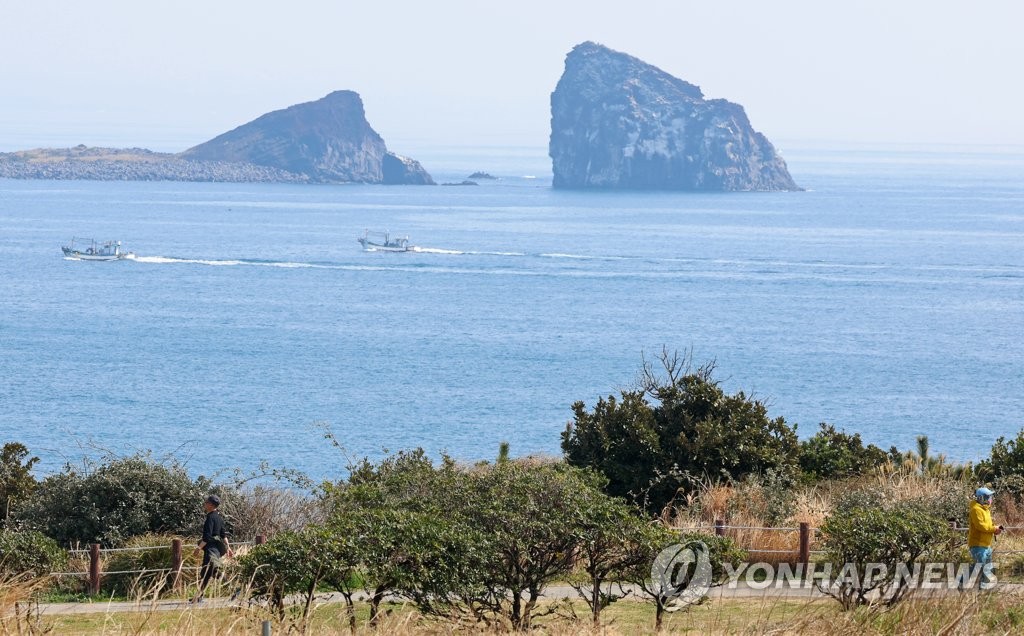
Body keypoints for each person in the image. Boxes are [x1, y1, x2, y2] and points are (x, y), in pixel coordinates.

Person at [191, 494, 232, 603]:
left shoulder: (210, 518)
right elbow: (223, 534)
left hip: (210, 549)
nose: (204, 504)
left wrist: (198, 548)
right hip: (217, 549)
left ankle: (233, 590)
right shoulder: (218, 517)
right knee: (205, 573)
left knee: (215, 571)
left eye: (206, 502)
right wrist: (228, 547)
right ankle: (198, 596)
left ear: (210, 505)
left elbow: (207, 537)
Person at [967, 486, 1003, 589]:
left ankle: (984, 589)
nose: (990, 499)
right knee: (979, 567)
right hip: (978, 544)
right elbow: (981, 526)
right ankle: (961, 582)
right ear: (981, 498)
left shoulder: (986, 510)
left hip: (986, 544)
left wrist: (995, 531)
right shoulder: (976, 509)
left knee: (986, 569)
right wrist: (993, 528)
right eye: (988, 496)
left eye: (990, 496)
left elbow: (987, 527)